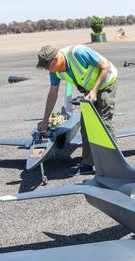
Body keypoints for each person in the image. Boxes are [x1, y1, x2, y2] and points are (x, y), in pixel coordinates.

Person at [36, 45, 118, 176]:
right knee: (86, 127)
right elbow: (52, 94)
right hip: (89, 90)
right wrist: (45, 121)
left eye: (47, 65)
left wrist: (94, 91)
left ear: (56, 58)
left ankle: (113, 165)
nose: (47, 69)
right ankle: (87, 164)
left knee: (104, 124)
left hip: (106, 83)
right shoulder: (55, 71)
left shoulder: (78, 53)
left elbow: (105, 66)